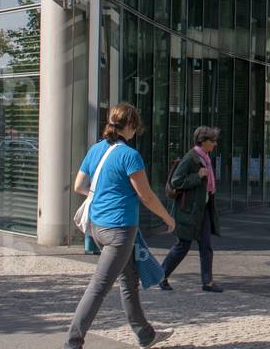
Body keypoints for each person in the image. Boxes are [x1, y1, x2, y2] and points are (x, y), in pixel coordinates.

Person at [65, 103, 175, 349]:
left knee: (129, 280)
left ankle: (145, 334)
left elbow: (79, 186)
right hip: (119, 231)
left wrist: (103, 194)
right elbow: (146, 196)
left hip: (96, 226)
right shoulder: (129, 155)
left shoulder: (96, 149)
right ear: (130, 125)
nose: (135, 130)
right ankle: (73, 343)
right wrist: (168, 218)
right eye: (135, 126)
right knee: (99, 287)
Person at [159, 126, 223, 292]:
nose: (215, 144)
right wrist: (198, 176)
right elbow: (176, 182)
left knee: (206, 246)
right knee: (182, 246)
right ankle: (161, 276)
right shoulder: (191, 158)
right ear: (203, 142)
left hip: (203, 209)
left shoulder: (205, 158)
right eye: (212, 141)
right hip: (188, 211)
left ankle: (207, 282)